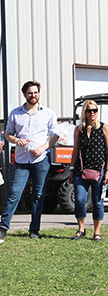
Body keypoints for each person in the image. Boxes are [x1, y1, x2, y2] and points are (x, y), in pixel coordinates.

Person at [0, 80, 60, 242]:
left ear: (38, 94)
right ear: (24, 94)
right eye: (30, 93)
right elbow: (8, 134)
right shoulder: (15, 113)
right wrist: (16, 140)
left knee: (38, 195)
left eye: (35, 92)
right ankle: (3, 228)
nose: (33, 95)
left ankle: (34, 230)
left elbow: (55, 135)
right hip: (21, 160)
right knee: (14, 193)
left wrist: (43, 147)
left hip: (41, 160)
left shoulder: (48, 113)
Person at [68, 100, 108, 241]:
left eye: (94, 110)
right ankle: (81, 229)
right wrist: (71, 169)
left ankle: (97, 232)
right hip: (81, 171)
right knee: (80, 200)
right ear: (84, 112)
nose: (92, 113)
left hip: (99, 171)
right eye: (89, 110)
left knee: (97, 201)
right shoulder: (79, 129)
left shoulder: (104, 128)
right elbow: (75, 151)